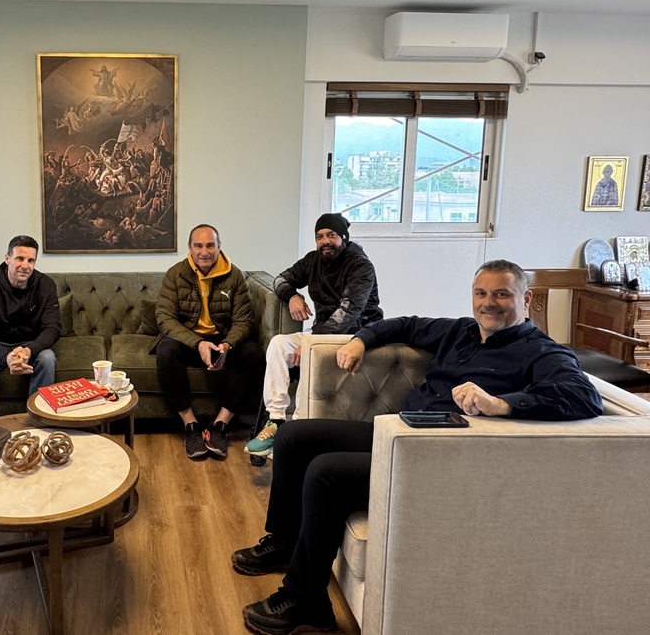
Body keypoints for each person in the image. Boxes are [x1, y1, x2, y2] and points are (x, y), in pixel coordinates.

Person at [231, 260, 603, 634]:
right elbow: (403, 325)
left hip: (441, 460)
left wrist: (501, 404)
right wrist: (360, 341)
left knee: (326, 472)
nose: (489, 303)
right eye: (481, 293)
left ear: (526, 299)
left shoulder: (541, 351)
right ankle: (285, 541)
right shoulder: (460, 331)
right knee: (294, 437)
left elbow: (582, 396)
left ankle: (306, 600)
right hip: (400, 432)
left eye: (502, 294)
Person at [246, 213, 383, 457]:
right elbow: (281, 280)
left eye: (331, 235)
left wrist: (312, 342)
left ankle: (297, 427)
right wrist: (292, 296)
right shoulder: (313, 260)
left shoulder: (360, 266)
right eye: (319, 236)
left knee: (309, 355)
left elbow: (347, 314)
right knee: (278, 344)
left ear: (343, 237)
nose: (325, 241)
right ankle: (276, 421)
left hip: (356, 337)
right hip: (321, 333)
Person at [155, 223, 266, 459]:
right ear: (190, 248)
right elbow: (164, 318)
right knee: (165, 349)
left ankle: (220, 424)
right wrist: (198, 343)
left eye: (209, 245)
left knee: (255, 354)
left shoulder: (234, 275)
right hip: (189, 340)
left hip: (222, 339)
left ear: (219, 246)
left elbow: (244, 320)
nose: (204, 252)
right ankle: (191, 425)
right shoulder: (175, 274)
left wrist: (227, 345)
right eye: (198, 246)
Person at [0, 234, 61, 423]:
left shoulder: (46, 285)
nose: (25, 265)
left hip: (31, 344)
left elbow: (52, 328)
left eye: (30, 260)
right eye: (20, 258)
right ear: (7, 258)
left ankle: (37, 420)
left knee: (48, 359)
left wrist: (29, 349)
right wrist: (6, 356)